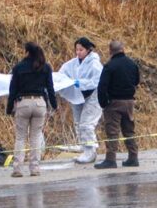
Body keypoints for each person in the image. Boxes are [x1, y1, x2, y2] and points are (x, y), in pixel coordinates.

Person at [6, 42, 58, 177]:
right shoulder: (45, 67)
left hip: (23, 103)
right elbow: (50, 89)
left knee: (20, 137)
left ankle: (17, 168)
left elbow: (13, 90)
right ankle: (34, 168)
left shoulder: (18, 67)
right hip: (40, 104)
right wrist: (54, 104)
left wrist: (9, 107)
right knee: (35, 136)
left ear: (27, 52)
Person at [94, 40, 141, 169]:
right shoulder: (132, 64)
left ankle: (110, 159)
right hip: (129, 101)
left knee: (112, 131)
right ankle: (133, 157)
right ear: (123, 49)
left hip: (114, 103)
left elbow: (102, 86)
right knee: (129, 130)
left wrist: (104, 103)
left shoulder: (110, 66)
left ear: (110, 51)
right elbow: (137, 81)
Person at [57, 36, 104, 164]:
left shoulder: (94, 63)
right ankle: (84, 147)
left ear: (88, 50)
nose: (78, 53)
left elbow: (97, 81)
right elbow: (62, 74)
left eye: (81, 50)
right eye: (76, 50)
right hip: (78, 95)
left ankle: (90, 151)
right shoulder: (72, 64)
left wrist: (80, 83)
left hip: (93, 95)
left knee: (86, 123)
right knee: (78, 123)